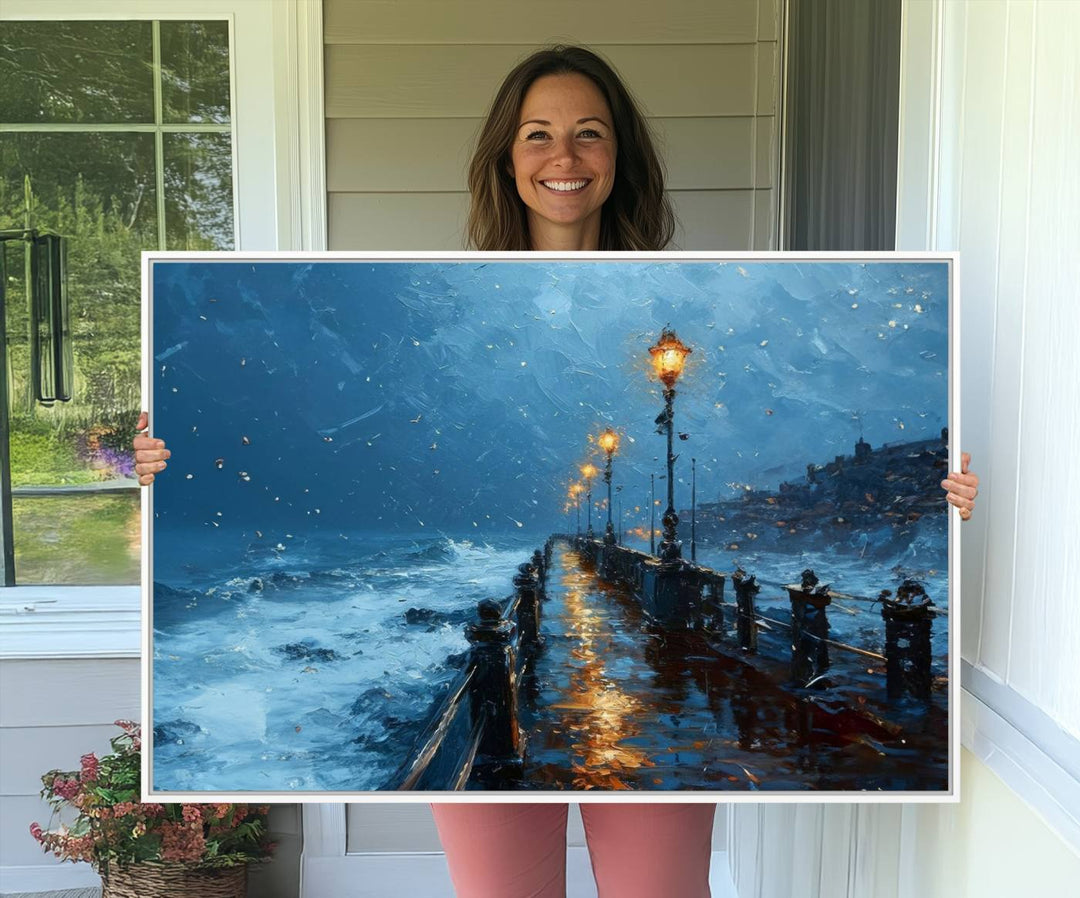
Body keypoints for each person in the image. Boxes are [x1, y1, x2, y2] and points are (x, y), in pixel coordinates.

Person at [133, 45, 979, 898]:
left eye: (589, 134)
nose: (563, 157)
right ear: (507, 157)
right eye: (537, 135)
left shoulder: (683, 287)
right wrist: (163, 463)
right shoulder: (431, 280)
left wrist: (947, 501)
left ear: (620, 157)